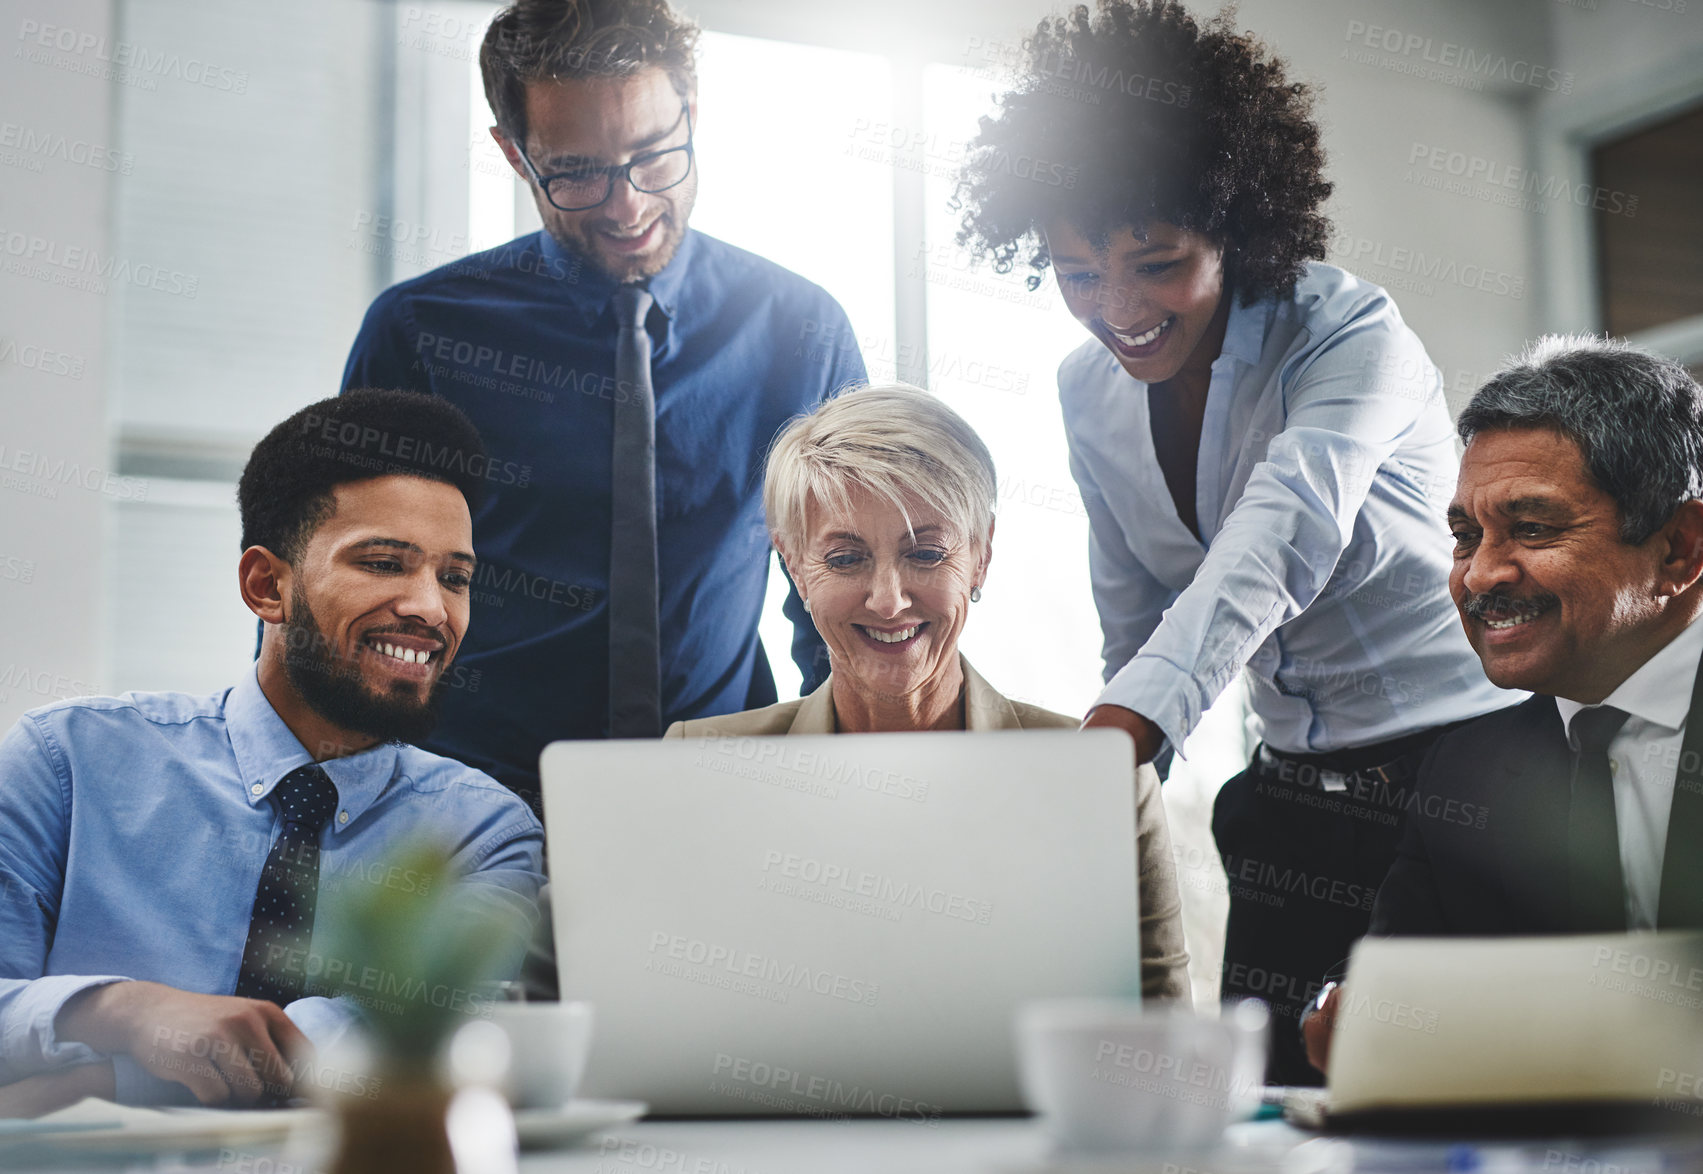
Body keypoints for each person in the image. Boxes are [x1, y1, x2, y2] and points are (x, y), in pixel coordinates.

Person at [953, 0, 1519, 1080]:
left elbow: (1282, 534)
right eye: (1076, 272)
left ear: (1237, 222)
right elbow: (1138, 618)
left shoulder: (1346, 331)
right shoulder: (1087, 390)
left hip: (1458, 773)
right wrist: (1109, 768)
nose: (1116, 307)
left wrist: (1119, 729)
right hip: (1290, 798)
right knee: (1269, 1103)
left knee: (1445, 1102)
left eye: (1155, 262)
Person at [341, 0, 866, 814]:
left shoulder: (799, 331)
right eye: (578, 171)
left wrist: (852, 793)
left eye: (654, 156)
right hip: (469, 805)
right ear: (515, 155)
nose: (627, 207)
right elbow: (343, 595)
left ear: (692, 112)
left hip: (728, 795)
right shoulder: (422, 334)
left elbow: (844, 597)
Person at [0, 390, 545, 1114]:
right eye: (384, 563)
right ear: (267, 585)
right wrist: (128, 1011)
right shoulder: (66, 760)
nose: (430, 608)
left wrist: (104, 1079)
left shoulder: (485, 833)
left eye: (455, 577)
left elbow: (407, 1041)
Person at [665, 385, 1191, 1003]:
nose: (888, 600)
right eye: (844, 559)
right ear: (793, 566)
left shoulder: (1101, 776)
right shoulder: (700, 767)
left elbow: (1160, 1039)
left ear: (981, 558)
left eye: (926, 554)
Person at [1303, 336, 1703, 1073]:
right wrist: (1350, 1016)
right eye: (1464, 537)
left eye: (1532, 528)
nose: (1479, 575)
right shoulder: (1464, 770)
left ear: (1679, 549)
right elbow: (1395, 994)